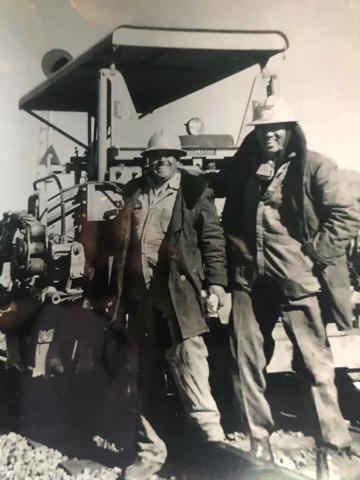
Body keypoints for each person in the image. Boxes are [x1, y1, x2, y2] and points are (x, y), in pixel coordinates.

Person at [206, 95, 360, 474]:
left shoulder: (316, 166)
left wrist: (316, 255)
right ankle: (257, 433)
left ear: (290, 130)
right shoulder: (246, 167)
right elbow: (217, 186)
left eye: (275, 128)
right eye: (261, 129)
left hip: (297, 277)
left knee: (315, 360)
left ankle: (334, 438)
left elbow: (347, 213)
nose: (268, 135)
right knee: (246, 358)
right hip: (248, 279)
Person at [111, 130, 227, 480]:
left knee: (191, 369)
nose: (162, 160)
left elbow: (212, 240)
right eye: (156, 155)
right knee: (143, 376)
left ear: (179, 158)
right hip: (140, 297)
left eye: (168, 155)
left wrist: (217, 284)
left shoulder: (195, 192)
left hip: (178, 297)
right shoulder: (134, 192)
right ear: (147, 159)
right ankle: (150, 453)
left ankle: (215, 449)